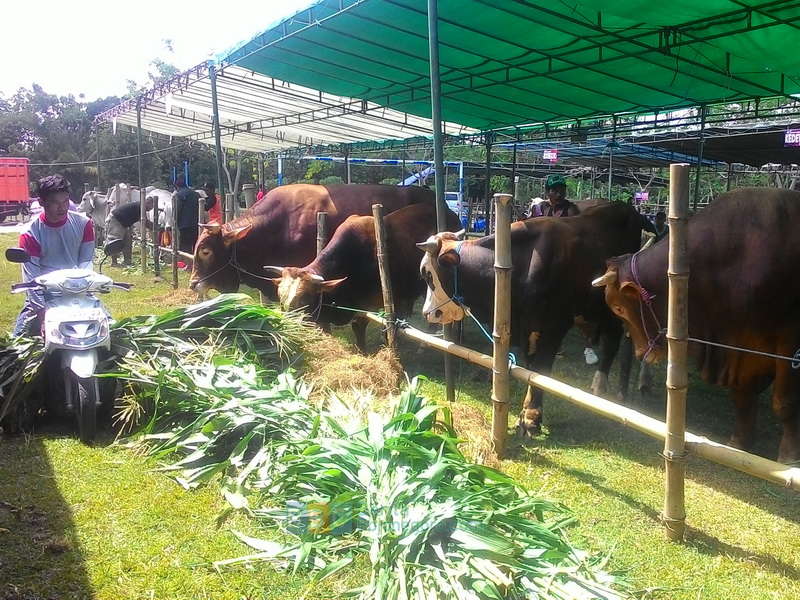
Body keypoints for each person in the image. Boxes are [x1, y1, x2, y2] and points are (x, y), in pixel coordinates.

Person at [14, 175, 95, 336]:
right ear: (42, 202)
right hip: (44, 292)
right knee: (16, 346)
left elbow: (86, 263)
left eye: (65, 201)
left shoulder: (84, 224)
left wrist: (84, 289)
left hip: (77, 289)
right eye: (55, 203)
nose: (62, 208)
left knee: (110, 333)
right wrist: (42, 316)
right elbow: (32, 280)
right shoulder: (30, 234)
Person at [529, 174, 596, 364]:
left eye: (561, 189)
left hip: (565, 263)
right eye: (554, 190)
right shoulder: (539, 208)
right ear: (547, 192)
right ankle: (535, 337)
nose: (558, 193)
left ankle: (588, 345)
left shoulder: (571, 210)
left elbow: (579, 235)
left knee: (575, 307)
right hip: (541, 261)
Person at [104, 195, 155, 266]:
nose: (151, 208)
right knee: (115, 241)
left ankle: (127, 262)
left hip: (123, 223)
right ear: (148, 203)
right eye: (152, 206)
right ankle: (114, 262)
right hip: (115, 220)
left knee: (127, 241)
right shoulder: (140, 207)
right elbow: (145, 222)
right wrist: (156, 227)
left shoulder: (140, 206)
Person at [174, 175, 200, 253]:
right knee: (195, 244)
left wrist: (175, 221)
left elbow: (178, 210)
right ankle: (195, 262)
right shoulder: (196, 194)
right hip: (196, 224)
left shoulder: (179, 195)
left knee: (185, 246)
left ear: (177, 187)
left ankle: (186, 263)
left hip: (184, 225)